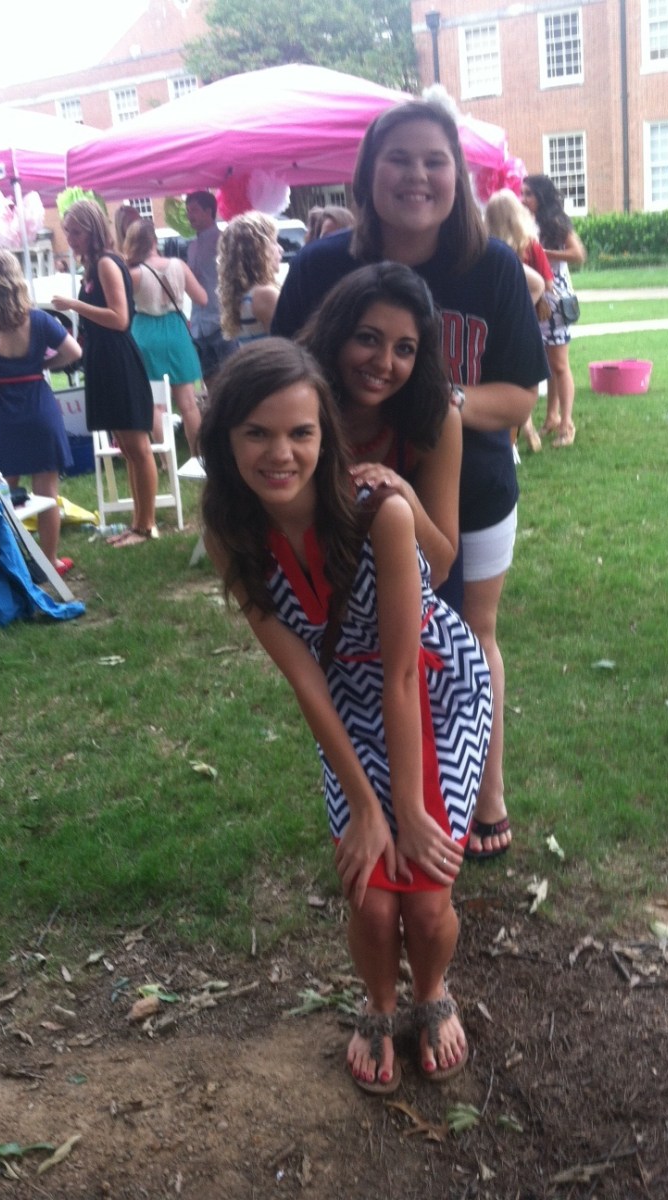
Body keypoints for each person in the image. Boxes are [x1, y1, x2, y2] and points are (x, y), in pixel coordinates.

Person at [200, 338, 492, 1093]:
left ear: (326, 435)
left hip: (435, 692)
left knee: (424, 898)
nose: (280, 453)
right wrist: (365, 807)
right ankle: (380, 1004)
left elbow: (402, 673)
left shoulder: (379, 514)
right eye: (256, 433)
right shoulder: (229, 532)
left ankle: (433, 991)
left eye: (300, 432)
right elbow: (305, 678)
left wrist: (405, 808)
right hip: (347, 701)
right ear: (224, 438)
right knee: (369, 897)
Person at [273, 98, 547, 862]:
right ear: (367, 174)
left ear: (458, 176)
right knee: (366, 647)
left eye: (435, 161)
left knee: (468, 634)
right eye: (398, 159)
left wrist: (433, 403)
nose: (416, 176)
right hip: (340, 489)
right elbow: (279, 376)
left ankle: (483, 789)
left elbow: (519, 396)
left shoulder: (492, 267)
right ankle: (383, 796)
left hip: (467, 481)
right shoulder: (322, 266)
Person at [299, 261, 460, 589]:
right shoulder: (296, 401)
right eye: (368, 339)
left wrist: (404, 495)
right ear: (336, 334)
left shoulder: (438, 416)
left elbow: (441, 568)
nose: (384, 363)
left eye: (404, 349)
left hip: (404, 594)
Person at [0, 249, 82, 573]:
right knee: (47, 490)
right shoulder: (39, 319)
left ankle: (6, 560)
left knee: (3, 489)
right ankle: (50, 561)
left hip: (3, 410)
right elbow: (74, 352)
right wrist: (41, 365)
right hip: (38, 405)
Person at [52, 199, 158, 548]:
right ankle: (138, 522)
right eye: (67, 231)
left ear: (93, 230)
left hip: (118, 358)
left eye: (76, 232)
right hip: (102, 358)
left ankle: (147, 526)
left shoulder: (107, 264)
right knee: (126, 447)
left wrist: (75, 305)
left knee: (138, 446)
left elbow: (120, 318)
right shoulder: (93, 265)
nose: (70, 238)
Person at [123, 218, 207, 455]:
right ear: (154, 240)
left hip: (145, 333)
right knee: (188, 404)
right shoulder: (179, 265)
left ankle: (164, 460)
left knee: (155, 405)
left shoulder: (133, 273)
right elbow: (202, 298)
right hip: (176, 331)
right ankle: (198, 456)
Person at [484, 188, 556, 454]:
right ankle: (523, 431)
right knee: (523, 381)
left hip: (492, 324)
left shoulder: (487, 250)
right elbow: (546, 283)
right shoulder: (530, 245)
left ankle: (517, 435)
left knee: (500, 381)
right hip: (525, 325)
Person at [521, 175, 587, 448]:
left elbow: (578, 254)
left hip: (557, 300)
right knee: (548, 365)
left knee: (559, 365)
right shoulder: (527, 222)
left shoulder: (556, 222)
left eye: (529, 194)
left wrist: (544, 253)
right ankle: (551, 417)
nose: (523, 199)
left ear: (541, 196)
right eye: (522, 193)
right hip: (539, 300)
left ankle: (567, 424)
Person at [185, 190, 233, 392]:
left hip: (222, 322)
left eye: (194, 210)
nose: (190, 215)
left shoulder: (224, 241)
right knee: (207, 381)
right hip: (199, 325)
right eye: (188, 211)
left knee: (232, 378)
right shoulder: (192, 246)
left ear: (209, 211)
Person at [216, 213, 281, 347]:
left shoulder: (243, 295)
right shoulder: (265, 294)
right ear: (259, 250)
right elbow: (287, 344)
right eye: (274, 242)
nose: (281, 249)